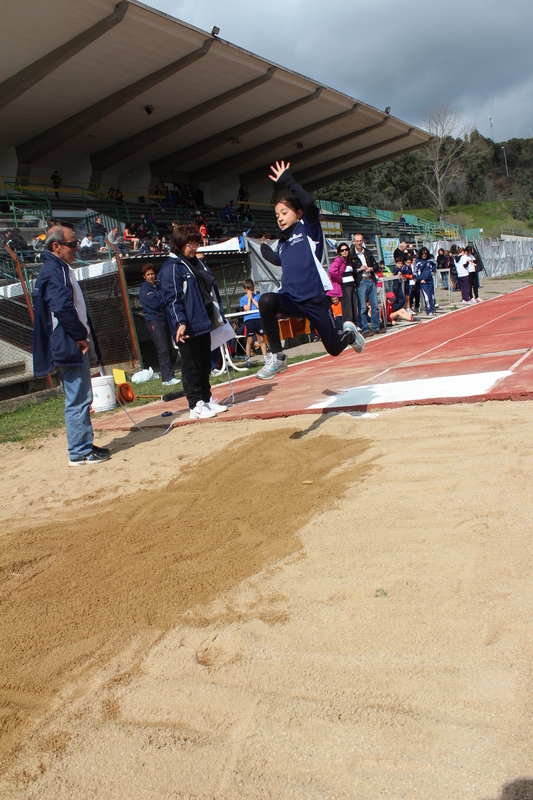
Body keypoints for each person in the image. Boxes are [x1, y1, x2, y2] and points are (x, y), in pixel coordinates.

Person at [255, 160, 364, 381]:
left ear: (298, 213)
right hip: (292, 299)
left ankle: (350, 334)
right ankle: (278, 357)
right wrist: (263, 247)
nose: (280, 218)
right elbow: (277, 259)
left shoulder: (309, 230)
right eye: (277, 216)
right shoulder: (283, 244)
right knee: (266, 300)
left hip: (315, 299)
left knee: (333, 348)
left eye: (284, 212)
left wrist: (287, 179)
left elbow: (308, 200)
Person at [32, 226, 110, 466]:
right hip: (67, 342)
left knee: (83, 396)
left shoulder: (60, 268)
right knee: (77, 398)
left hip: (70, 340)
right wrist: (79, 336)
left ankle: (84, 444)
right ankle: (79, 451)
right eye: (72, 244)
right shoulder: (54, 270)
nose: (77, 248)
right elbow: (62, 307)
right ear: (56, 246)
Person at [159, 223, 228, 419]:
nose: (194, 247)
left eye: (197, 243)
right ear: (179, 243)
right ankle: (195, 404)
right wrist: (180, 322)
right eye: (190, 243)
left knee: (205, 364)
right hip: (186, 326)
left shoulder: (197, 263)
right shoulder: (172, 267)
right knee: (191, 366)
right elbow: (172, 298)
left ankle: (206, 399)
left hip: (202, 321)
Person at [138, 263, 179, 386]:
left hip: (163, 319)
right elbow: (156, 303)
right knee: (163, 349)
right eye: (148, 274)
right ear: (145, 276)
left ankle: (169, 375)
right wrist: (164, 302)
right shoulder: (144, 289)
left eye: (152, 274)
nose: (151, 276)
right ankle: (167, 378)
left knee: (167, 347)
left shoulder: (157, 287)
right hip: (154, 321)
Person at [350, 233, 380, 337]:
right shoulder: (352, 255)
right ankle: (365, 329)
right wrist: (359, 269)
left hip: (371, 279)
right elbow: (350, 271)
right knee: (362, 307)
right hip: (361, 281)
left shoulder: (367, 252)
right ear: (354, 242)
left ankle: (376, 327)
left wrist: (371, 268)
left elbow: (376, 266)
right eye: (357, 241)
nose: (359, 243)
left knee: (375, 306)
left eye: (360, 241)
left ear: (363, 241)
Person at [328, 242, 359, 328]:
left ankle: (354, 325)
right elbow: (332, 271)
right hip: (345, 286)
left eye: (346, 249)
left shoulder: (349, 260)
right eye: (342, 250)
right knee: (347, 308)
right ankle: (348, 327)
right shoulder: (338, 260)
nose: (345, 251)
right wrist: (340, 279)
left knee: (353, 306)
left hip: (352, 285)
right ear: (339, 251)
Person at [239, 278, 267, 367]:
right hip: (249, 320)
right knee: (250, 340)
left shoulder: (257, 296)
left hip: (258, 319)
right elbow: (247, 309)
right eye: (249, 290)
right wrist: (249, 299)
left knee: (262, 339)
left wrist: (253, 299)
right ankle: (248, 359)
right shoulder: (243, 299)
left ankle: (265, 357)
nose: (251, 292)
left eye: (252, 289)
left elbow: (259, 306)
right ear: (245, 289)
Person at [413, 246, 437, 316]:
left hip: (430, 279)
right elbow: (415, 272)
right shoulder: (418, 261)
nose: (424, 255)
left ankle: (432, 309)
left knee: (431, 295)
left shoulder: (429, 260)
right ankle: (429, 310)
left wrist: (433, 269)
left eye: (425, 253)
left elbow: (434, 264)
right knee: (427, 296)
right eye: (423, 253)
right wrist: (420, 279)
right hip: (423, 281)